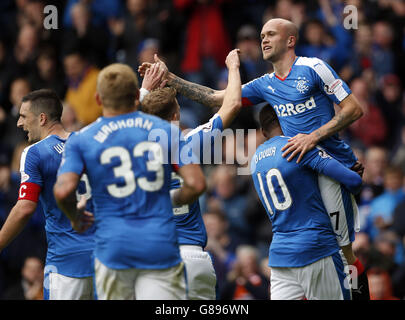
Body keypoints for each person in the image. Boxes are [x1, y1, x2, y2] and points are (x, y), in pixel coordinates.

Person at [138, 17, 368, 299]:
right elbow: (215, 98)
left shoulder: (314, 68)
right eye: (261, 36)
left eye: (271, 34)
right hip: (297, 166)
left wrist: (313, 137)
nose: (264, 40)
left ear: (290, 40)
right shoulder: (265, 84)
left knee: (343, 251)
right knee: (311, 249)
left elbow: (354, 109)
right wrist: (172, 79)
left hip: (329, 164)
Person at [54, 63, 206, 300]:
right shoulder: (167, 130)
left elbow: (63, 191)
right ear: (137, 96)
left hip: (112, 249)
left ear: (97, 99)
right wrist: (172, 198)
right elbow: (197, 184)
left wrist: (75, 217)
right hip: (160, 245)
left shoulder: (81, 140)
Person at [139, 48, 243, 300]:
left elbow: (116, 122)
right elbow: (233, 103)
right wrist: (232, 67)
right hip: (194, 258)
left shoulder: (132, 154)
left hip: (155, 259)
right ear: (176, 115)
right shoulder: (190, 141)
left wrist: (143, 90)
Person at [250, 105, 363, 300]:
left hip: (280, 255)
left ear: (263, 131)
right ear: (289, 119)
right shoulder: (298, 146)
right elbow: (354, 182)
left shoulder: (255, 160)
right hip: (316, 247)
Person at [0, 89, 95, 300]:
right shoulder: (89, 143)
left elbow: (25, 207)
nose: (18, 123)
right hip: (103, 258)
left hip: (65, 262)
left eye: (23, 116)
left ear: (42, 118)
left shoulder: (35, 153)